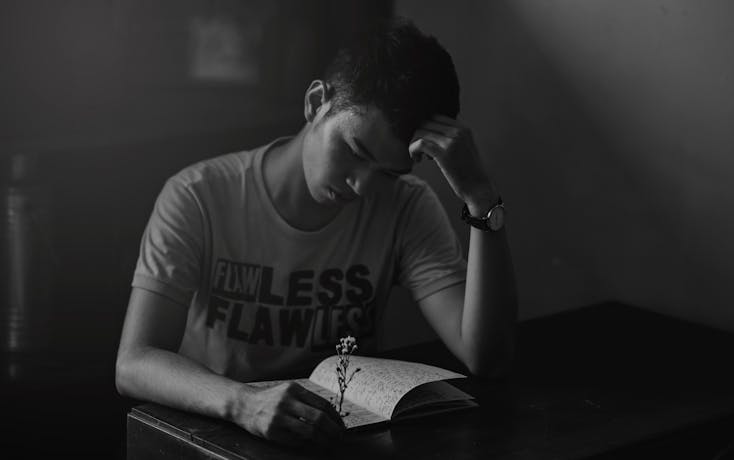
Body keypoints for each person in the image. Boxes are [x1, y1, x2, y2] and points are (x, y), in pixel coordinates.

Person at [115, 18, 517, 446]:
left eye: (388, 173)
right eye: (355, 151)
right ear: (315, 103)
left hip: (337, 438)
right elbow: (134, 362)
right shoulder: (197, 196)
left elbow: (486, 358)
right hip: (216, 434)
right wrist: (244, 403)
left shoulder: (407, 205)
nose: (362, 186)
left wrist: (479, 197)